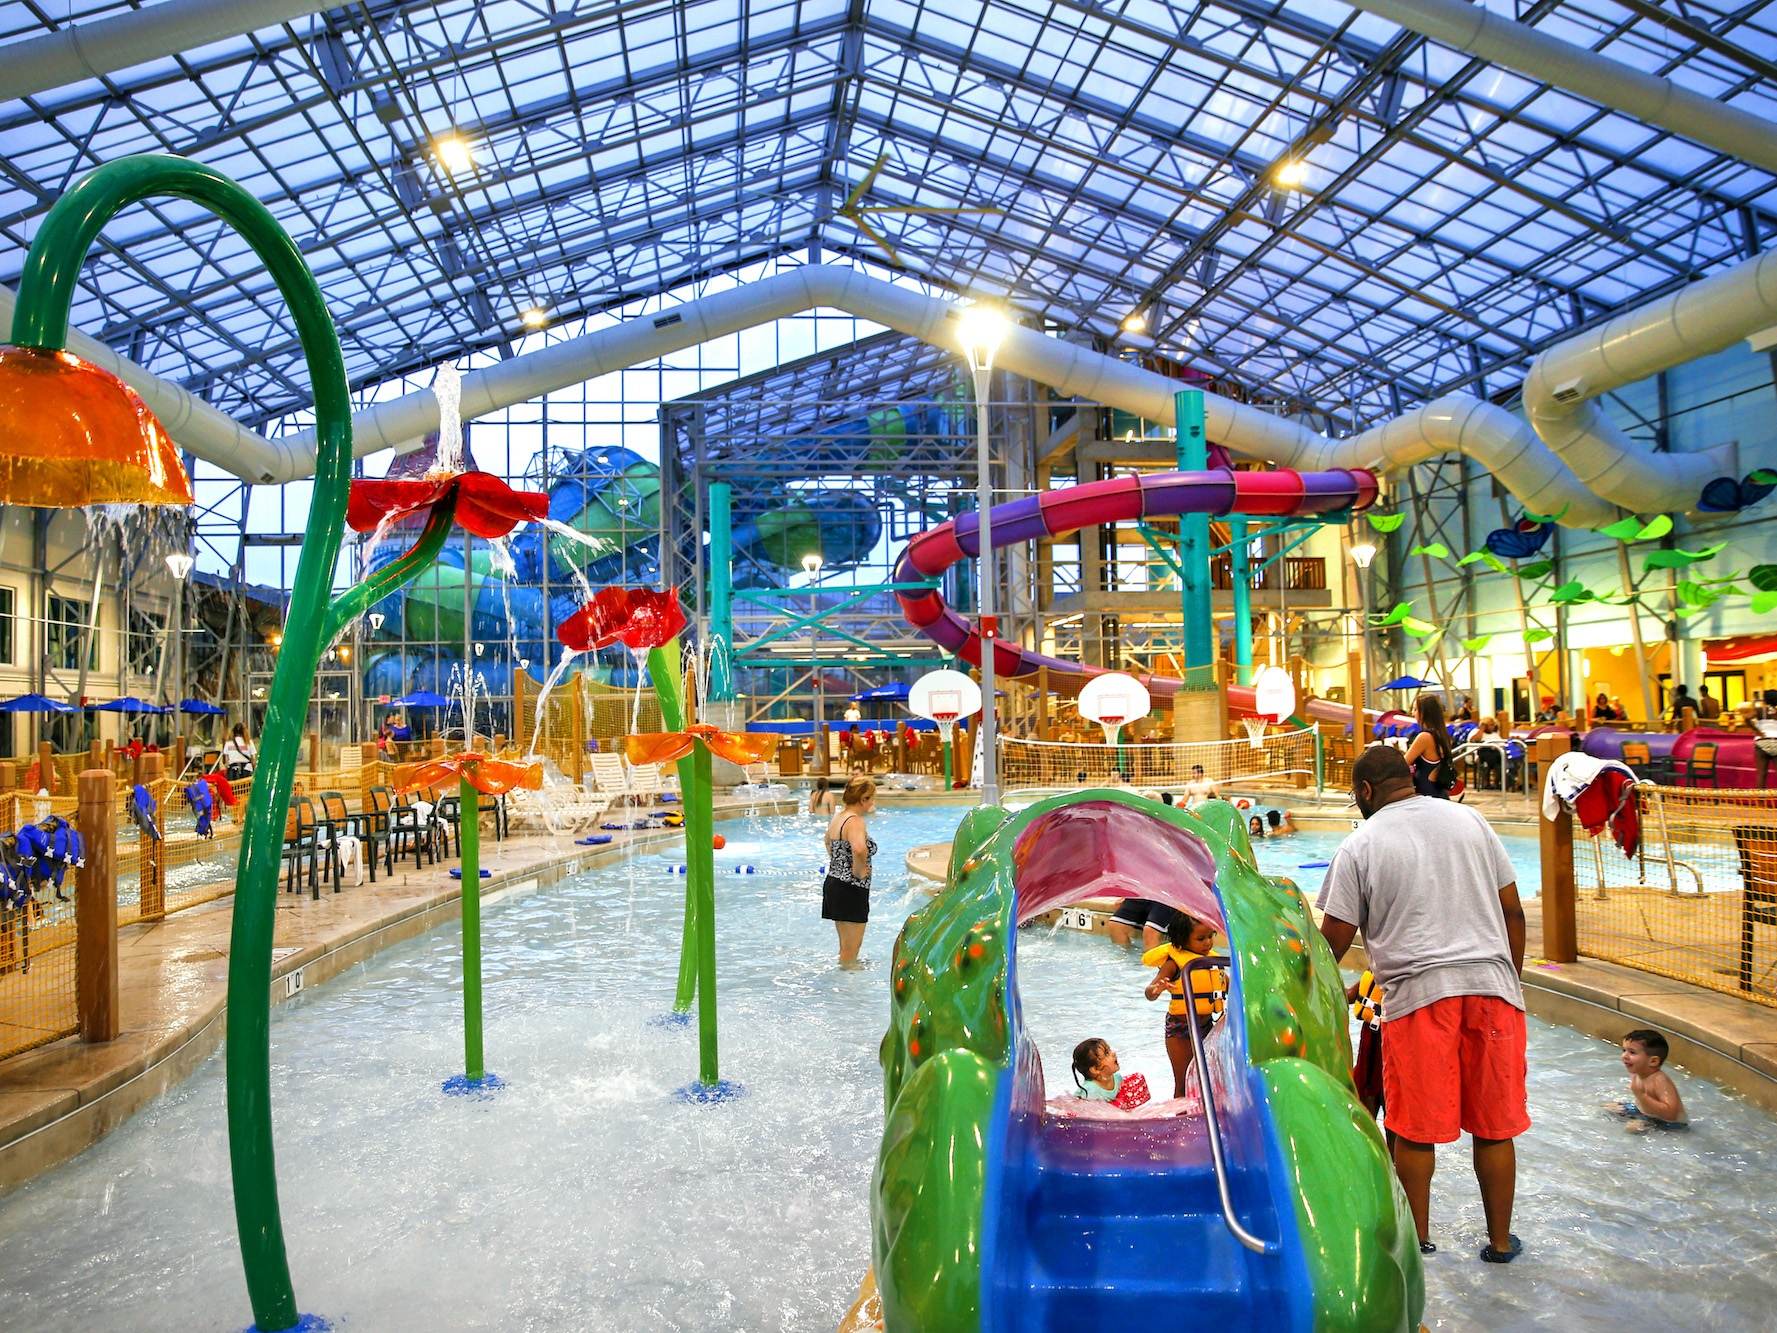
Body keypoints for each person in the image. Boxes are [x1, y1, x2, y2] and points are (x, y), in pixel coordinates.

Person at [1316, 746, 1528, 1263]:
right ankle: (1500, 1243)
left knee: (1412, 1130)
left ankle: (1419, 1244)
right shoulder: (1471, 821)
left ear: (1365, 792)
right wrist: (1508, 983)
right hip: (1493, 991)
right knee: (1495, 1128)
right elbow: (1513, 911)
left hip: (1417, 999)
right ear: (1408, 777)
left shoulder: (1361, 845)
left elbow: (1333, 942)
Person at [1143, 914, 1225, 1098]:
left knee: (1208, 1079)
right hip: (1180, 1029)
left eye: (1210, 936)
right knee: (1183, 1081)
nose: (1208, 943)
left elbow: (1226, 986)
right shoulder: (1173, 964)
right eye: (1200, 939)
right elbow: (1150, 992)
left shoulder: (1213, 962)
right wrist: (1157, 989)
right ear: (1182, 940)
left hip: (1206, 1026)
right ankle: (1179, 1122)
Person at [821, 776, 877, 968]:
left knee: (845, 948)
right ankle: (849, 992)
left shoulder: (839, 817)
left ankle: (844, 980)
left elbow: (827, 841)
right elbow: (859, 849)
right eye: (871, 798)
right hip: (851, 887)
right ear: (863, 799)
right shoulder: (855, 821)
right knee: (851, 950)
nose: (873, 803)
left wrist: (839, 865)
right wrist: (859, 872)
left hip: (834, 883)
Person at [1613, 1028, 1688, 1131]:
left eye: (1632, 1052)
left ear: (1653, 1061)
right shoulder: (1637, 1072)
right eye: (1624, 1050)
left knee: (1631, 1128)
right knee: (1608, 1107)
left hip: (1668, 1124)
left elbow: (1671, 1115)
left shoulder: (1660, 1080)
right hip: (1644, 1113)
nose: (1624, 1056)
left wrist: (1641, 1096)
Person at [1403, 694, 1457, 799]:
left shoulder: (1424, 737)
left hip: (1426, 793)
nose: (1412, 713)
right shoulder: (1443, 735)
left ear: (1424, 712)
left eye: (1415, 709)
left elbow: (1404, 762)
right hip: (1440, 792)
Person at [1107, 895, 1176, 951]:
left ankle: (1151, 965)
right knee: (1115, 925)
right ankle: (1125, 960)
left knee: (1150, 931)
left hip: (1167, 897)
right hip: (1143, 894)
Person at [1748, 689, 1777, 787]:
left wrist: (1757, 730)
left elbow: (1747, 718)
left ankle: (1760, 802)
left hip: (1762, 742)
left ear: (1765, 700)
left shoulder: (1760, 710)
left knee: (1761, 774)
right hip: (1776, 741)